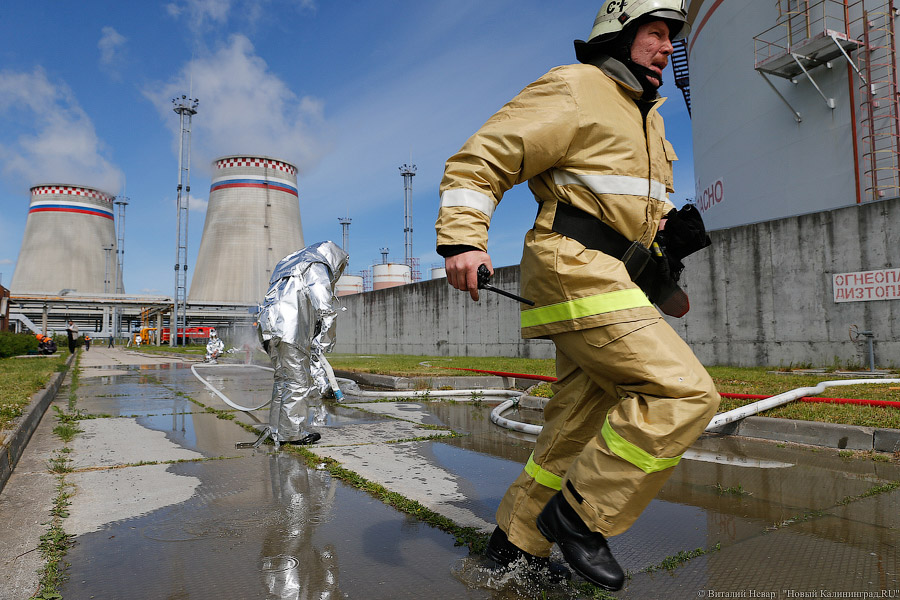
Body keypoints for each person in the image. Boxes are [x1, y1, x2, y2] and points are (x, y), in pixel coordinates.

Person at [435, 1, 720, 591]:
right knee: (682, 392)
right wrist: (462, 239)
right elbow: (480, 159)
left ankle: (512, 549)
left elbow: (621, 208)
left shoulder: (650, 118)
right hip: (576, 269)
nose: (668, 47)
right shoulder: (576, 87)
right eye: (656, 33)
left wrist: (670, 235)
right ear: (619, 34)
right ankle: (579, 518)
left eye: (671, 37)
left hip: (615, 274)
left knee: (574, 431)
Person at [256, 241, 348, 449]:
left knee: (282, 380)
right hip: (290, 330)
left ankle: (277, 429)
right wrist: (324, 341)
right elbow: (324, 307)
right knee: (298, 382)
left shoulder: (288, 267)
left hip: (269, 327)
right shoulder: (316, 265)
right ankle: (293, 432)